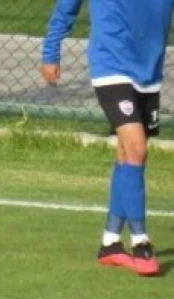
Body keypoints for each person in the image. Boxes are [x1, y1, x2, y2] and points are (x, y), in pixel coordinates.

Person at [39, 0, 172, 276]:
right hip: (110, 63)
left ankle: (110, 242)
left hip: (149, 68)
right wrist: (51, 51)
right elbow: (67, 6)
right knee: (137, 147)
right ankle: (141, 242)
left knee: (128, 153)